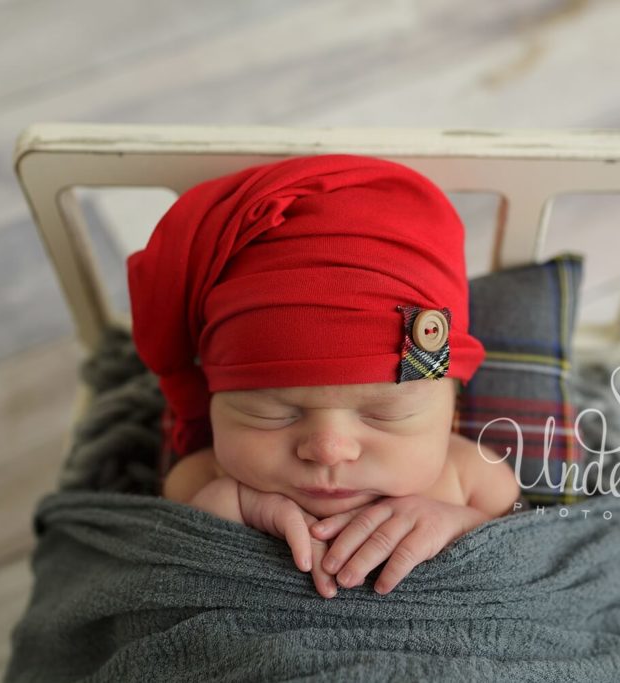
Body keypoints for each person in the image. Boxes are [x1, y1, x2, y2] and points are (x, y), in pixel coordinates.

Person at [127, 154, 519, 600]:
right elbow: (177, 524)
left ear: (452, 415)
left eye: (382, 414)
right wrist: (238, 507)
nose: (328, 449)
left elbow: (517, 537)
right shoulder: (216, 476)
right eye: (270, 413)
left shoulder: (465, 476)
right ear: (213, 405)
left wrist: (455, 525)